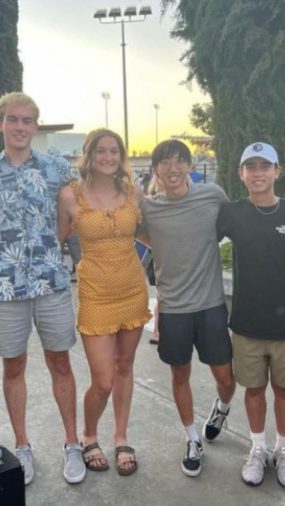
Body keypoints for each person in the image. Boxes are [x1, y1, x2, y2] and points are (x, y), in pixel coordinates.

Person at [0, 92, 86, 485]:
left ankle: (72, 443)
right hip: (5, 290)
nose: (20, 127)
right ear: (2, 123)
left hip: (51, 284)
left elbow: (77, 212)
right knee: (13, 367)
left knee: (60, 363)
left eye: (27, 120)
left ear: (36, 126)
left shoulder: (55, 168)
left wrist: (60, 243)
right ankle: (22, 445)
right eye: (13, 119)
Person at [217, 142, 285, 489]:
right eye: (251, 166)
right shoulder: (231, 212)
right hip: (246, 320)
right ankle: (257, 449)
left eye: (264, 166)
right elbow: (197, 240)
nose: (258, 173)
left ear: (277, 171)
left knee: (284, 389)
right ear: (241, 173)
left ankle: (282, 450)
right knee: (254, 389)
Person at [57, 128, 150, 477]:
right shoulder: (70, 196)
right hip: (95, 295)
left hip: (132, 291)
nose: (109, 157)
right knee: (104, 380)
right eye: (102, 152)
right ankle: (89, 435)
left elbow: (148, 234)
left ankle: (121, 437)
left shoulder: (133, 192)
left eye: (115, 151)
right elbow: (56, 239)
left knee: (125, 367)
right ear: (89, 155)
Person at [140, 139, 236, 477]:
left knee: (225, 378)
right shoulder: (149, 208)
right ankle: (192, 438)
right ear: (155, 170)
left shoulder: (213, 195)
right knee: (179, 373)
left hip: (210, 305)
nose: (173, 168)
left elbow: (229, 228)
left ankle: (221, 408)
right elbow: (142, 235)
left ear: (190, 166)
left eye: (179, 161)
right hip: (173, 309)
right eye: (164, 162)